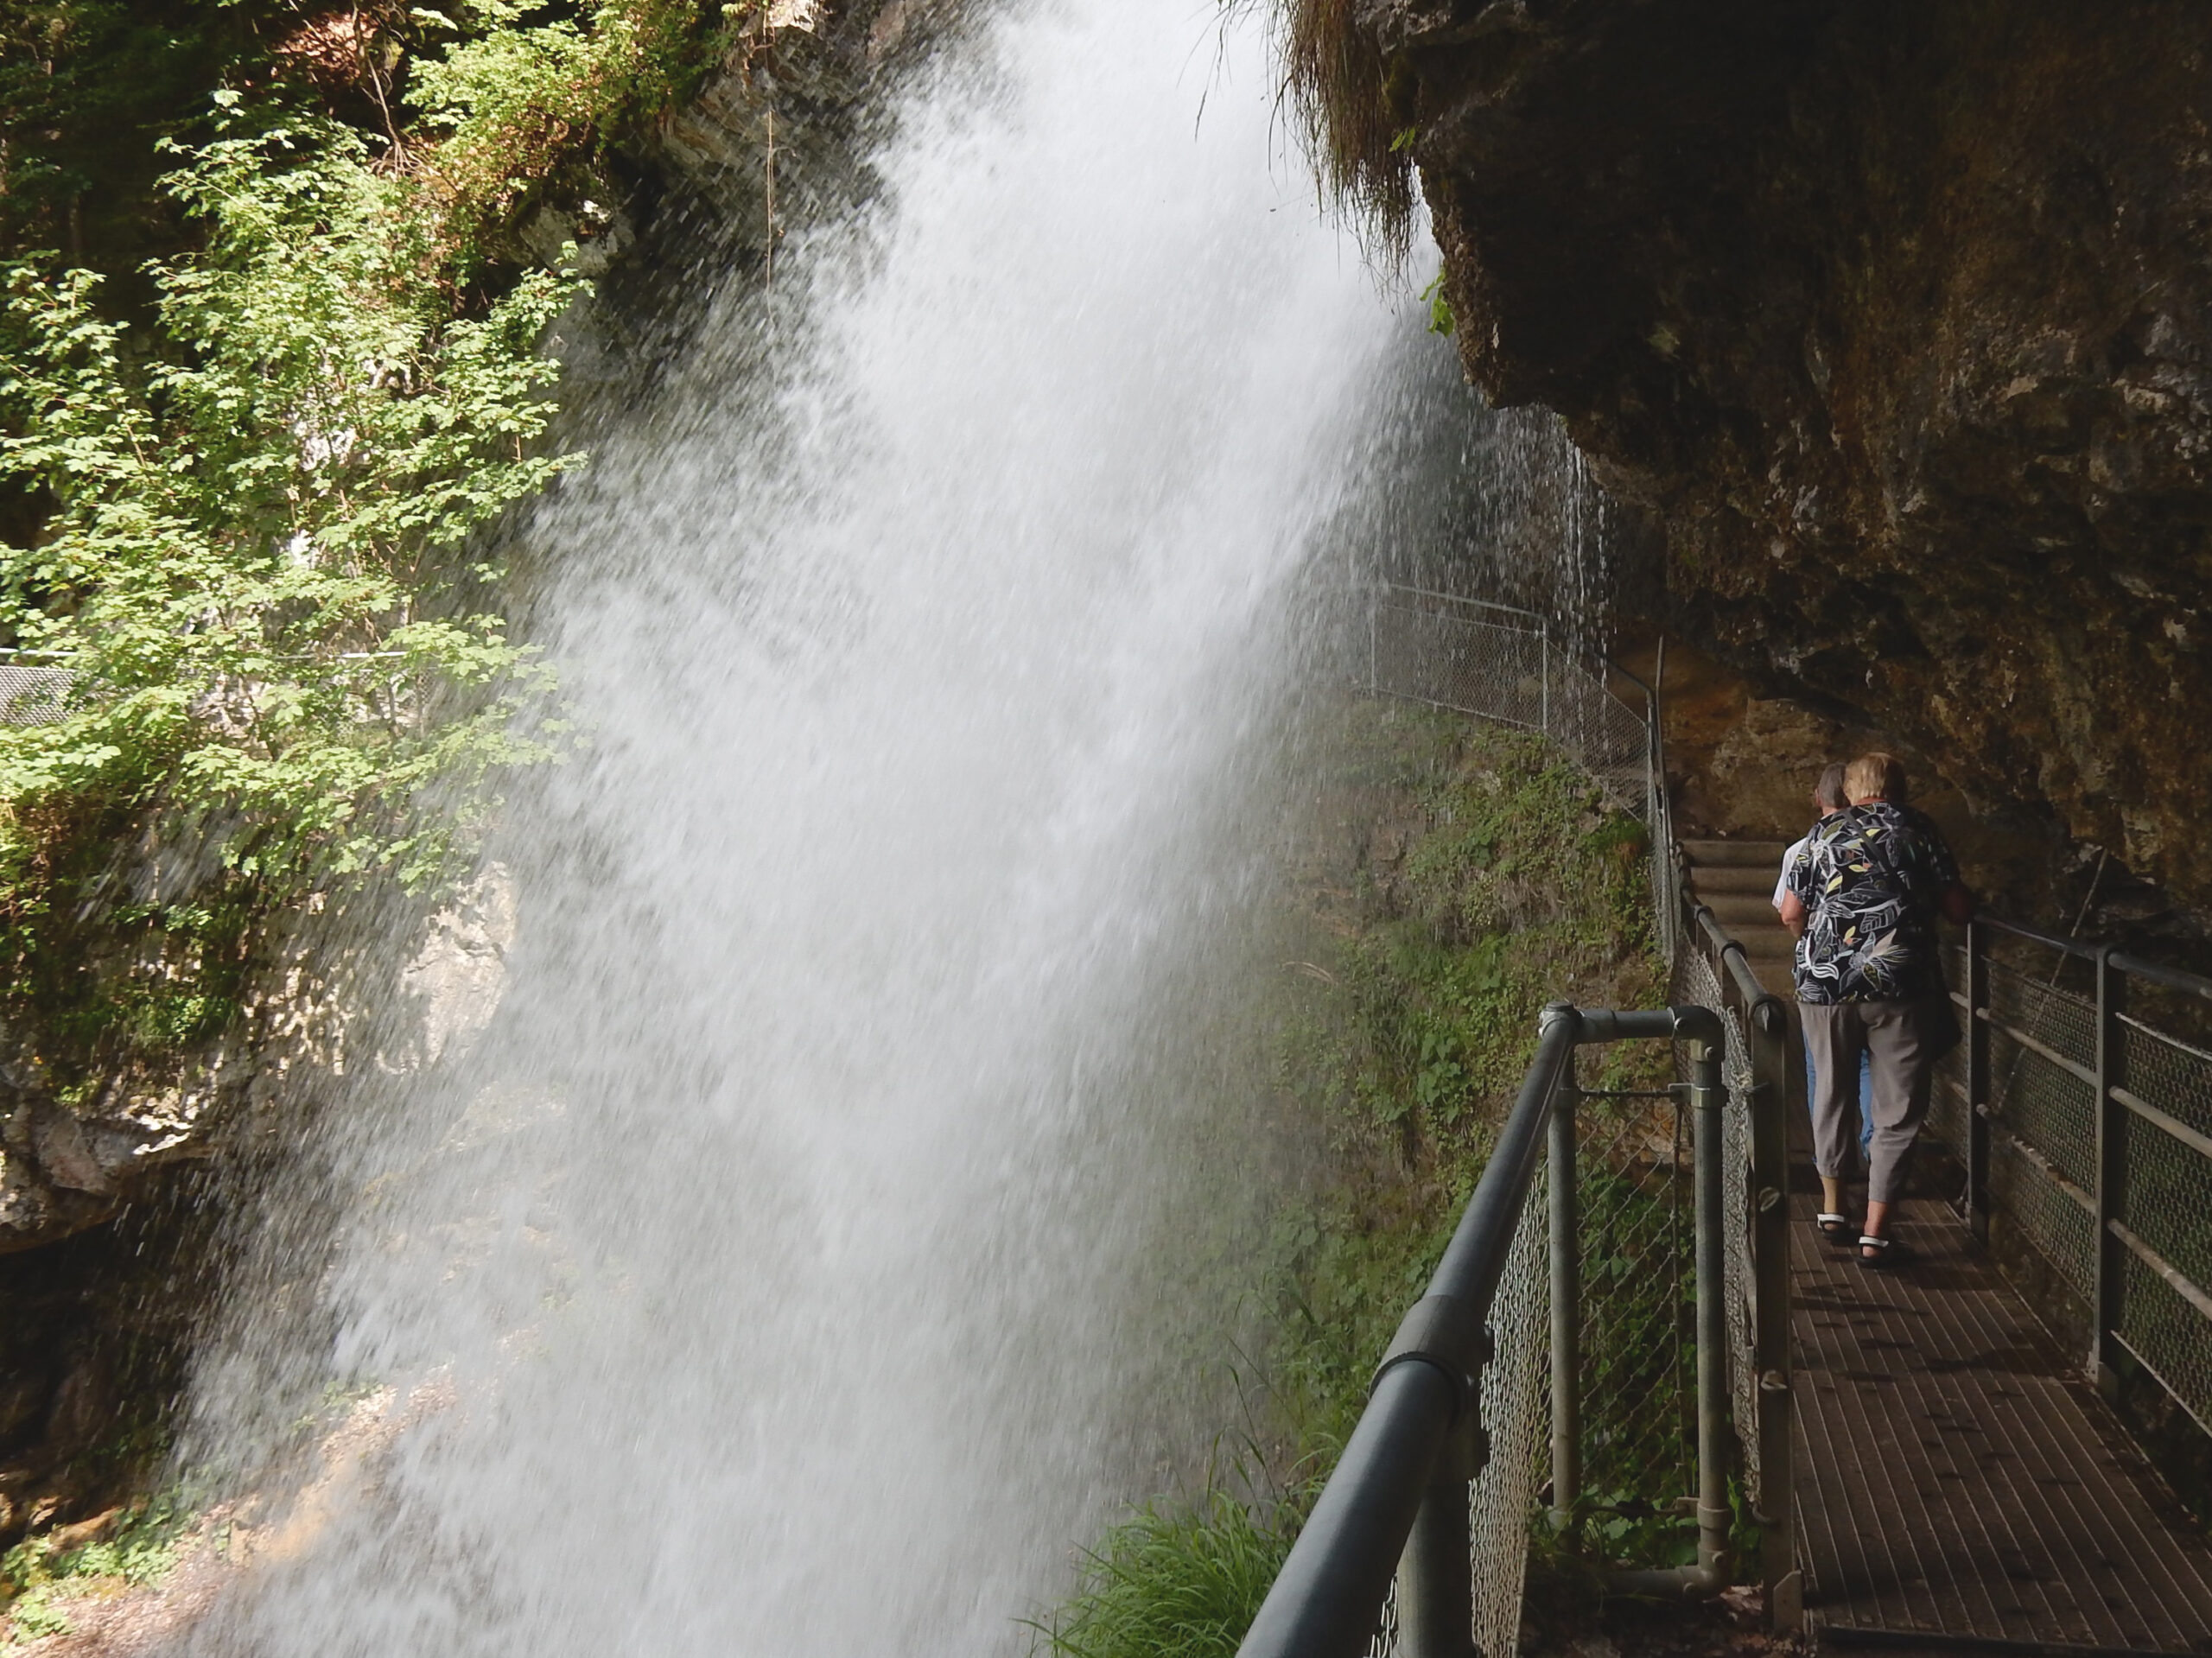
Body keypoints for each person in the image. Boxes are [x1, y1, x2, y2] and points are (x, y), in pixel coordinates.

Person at [1779, 752, 1973, 1268]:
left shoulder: (1822, 833)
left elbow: (1792, 912)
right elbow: (1958, 909)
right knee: (1898, 1109)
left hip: (1825, 986)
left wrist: (1819, 951)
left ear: (1851, 788)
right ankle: (1876, 1230)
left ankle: (1832, 1209)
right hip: (1902, 984)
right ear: (1899, 787)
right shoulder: (1920, 828)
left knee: (1831, 1091)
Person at [1775, 764, 1872, 1166]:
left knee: (1823, 1071)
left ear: (1819, 797)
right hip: (1879, 972)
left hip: (1824, 979)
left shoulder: (1802, 848)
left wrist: (1807, 945)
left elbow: (1789, 912)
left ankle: (1830, 1166)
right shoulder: (1882, 840)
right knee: (1870, 1065)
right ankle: (1874, 1152)